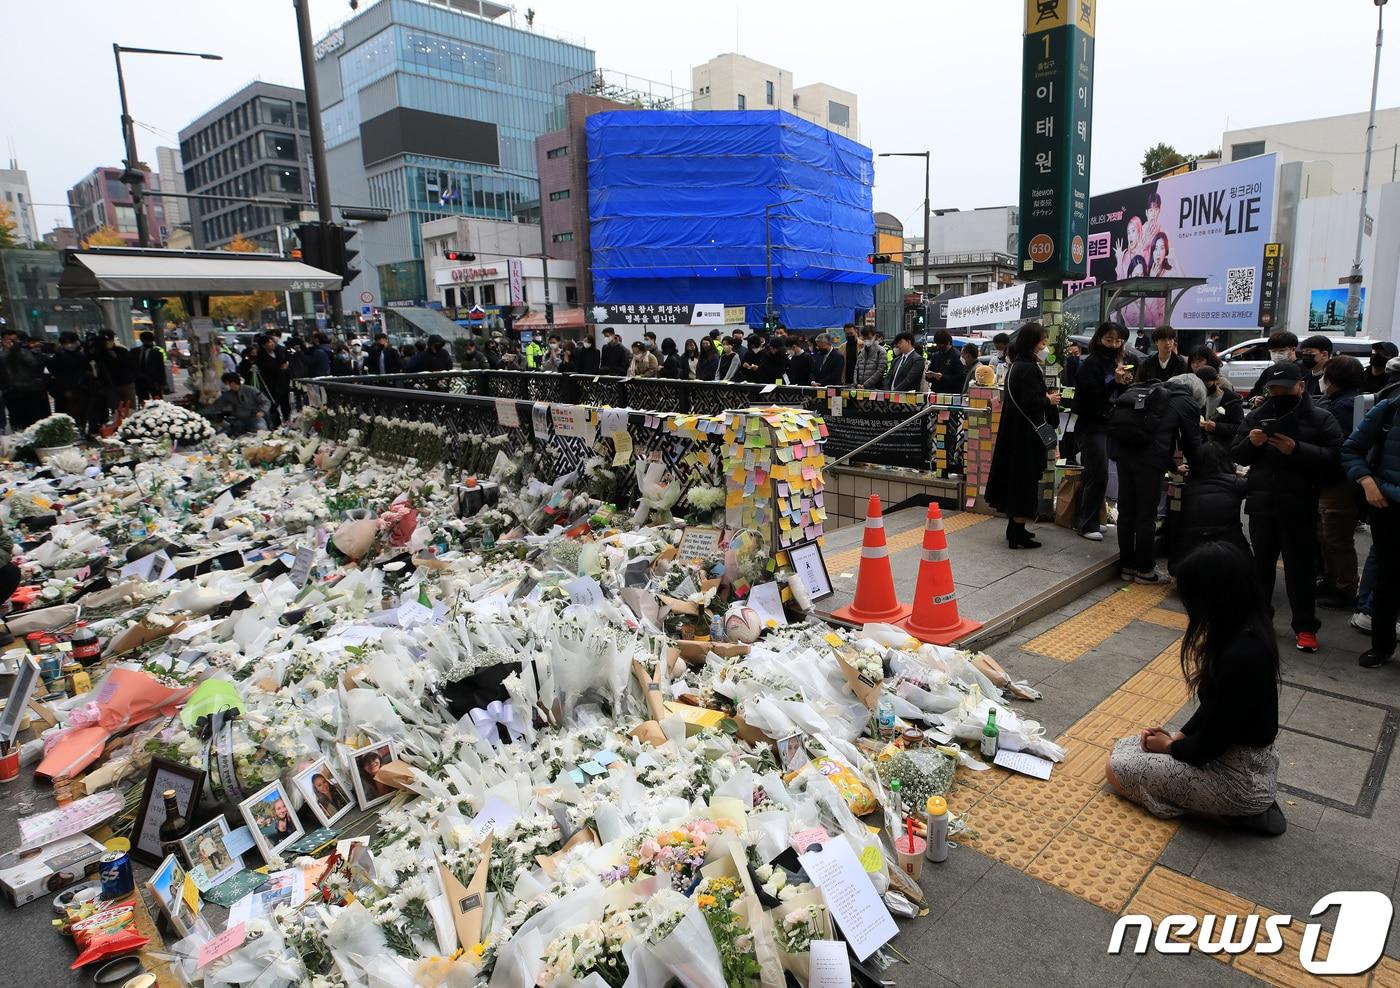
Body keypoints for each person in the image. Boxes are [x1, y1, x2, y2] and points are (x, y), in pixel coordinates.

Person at [1105, 541, 1284, 834]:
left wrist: (1171, 747)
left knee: (1116, 769)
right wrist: (1177, 736)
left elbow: (1207, 747)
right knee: (1129, 747)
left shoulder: (1242, 656)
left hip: (1238, 780)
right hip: (1243, 761)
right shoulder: (1246, 630)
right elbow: (1215, 709)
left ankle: (1230, 814)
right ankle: (1213, 802)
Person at [1231, 361, 1343, 652]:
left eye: (1285, 388)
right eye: (1273, 389)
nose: (1279, 393)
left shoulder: (1321, 418)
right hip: (1261, 505)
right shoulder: (1257, 415)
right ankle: (1257, 620)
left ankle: (1305, 627)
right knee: (1261, 568)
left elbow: (1335, 459)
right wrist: (1251, 443)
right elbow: (1237, 455)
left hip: (1300, 507)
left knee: (1300, 570)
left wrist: (1296, 450)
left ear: (1301, 386)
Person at [1111, 372, 1206, 582]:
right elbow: (1192, 443)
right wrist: (1203, 470)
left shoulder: (1152, 391)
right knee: (1146, 513)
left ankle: (1127, 566)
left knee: (1127, 511)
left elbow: (1153, 432)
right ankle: (1144, 570)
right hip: (1149, 462)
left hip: (1125, 453)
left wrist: (1173, 466)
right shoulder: (1186, 402)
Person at [986, 323, 1060, 549]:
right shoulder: (1027, 368)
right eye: (1042, 343)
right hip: (1025, 437)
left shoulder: (1016, 366)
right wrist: (1049, 400)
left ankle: (1015, 529)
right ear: (1031, 343)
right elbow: (1030, 402)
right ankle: (1017, 534)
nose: (1045, 347)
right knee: (1023, 482)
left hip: (1014, 433)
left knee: (1016, 481)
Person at [1343, 388, 1400, 668]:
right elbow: (1351, 448)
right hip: (1388, 506)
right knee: (1388, 579)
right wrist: (1366, 481)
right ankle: (1382, 645)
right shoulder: (1388, 409)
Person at [1313, 354, 1365, 609]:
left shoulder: (1342, 408)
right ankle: (1333, 580)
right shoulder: (1348, 401)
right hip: (1335, 482)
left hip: (1337, 484)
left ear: (1332, 379)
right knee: (1327, 535)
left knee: (1336, 538)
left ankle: (1345, 588)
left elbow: (1336, 448)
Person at [1072, 323, 1132, 541]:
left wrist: (1124, 383)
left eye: (1118, 341)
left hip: (1109, 424)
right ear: (1099, 339)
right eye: (1109, 340)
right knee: (1098, 474)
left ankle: (1089, 518)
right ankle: (1086, 524)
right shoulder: (1090, 364)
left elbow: (1118, 393)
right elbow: (1089, 397)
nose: (1114, 344)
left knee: (1094, 473)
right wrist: (1112, 383)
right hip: (1091, 425)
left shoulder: (1118, 362)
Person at [1169, 443, 1249, 575]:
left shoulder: (1186, 489)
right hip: (1230, 559)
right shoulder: (1235, 484)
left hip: (1187, 562)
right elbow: (1256, 483)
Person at [203, 371, 271, 436]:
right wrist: (199, 413)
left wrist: (262, 411)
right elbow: (215, 406)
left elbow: (266, 402)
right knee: (224, 434)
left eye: (227, 384)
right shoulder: (228, 395)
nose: (226, 386)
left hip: (255, 418)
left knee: (262, 431)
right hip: (238, 420)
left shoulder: (251, 390)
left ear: (232, 383)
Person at [47, 332, 91, 426]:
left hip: (82, 389)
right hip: (65, 390)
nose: (69, 345)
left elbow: (86, 370)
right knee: (68, 413)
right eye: (66, 343)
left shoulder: (81, 355)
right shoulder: (58, 357)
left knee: (82, 412)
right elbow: (58, 375)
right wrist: (66, 389)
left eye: (72, 342)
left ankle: (81, 428)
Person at [1196, 366, 1244, 450]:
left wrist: (1217, 426)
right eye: (1200, 385)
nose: (1203, 388)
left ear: (1217, 380)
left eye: (1206, 384)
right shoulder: (1198, 398)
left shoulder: (1231, 400)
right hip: (1203, 446)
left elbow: (1239, 427)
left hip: (1224, 447)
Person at [1247, 331, 1300, 401]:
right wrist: (1256, 400)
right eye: (1273, 352)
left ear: (1293, 349)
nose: (1277, 355)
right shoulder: (1269, 371)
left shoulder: (1302, 369)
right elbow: (1253, 394)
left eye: (1281, 351)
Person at [257, 334, 292, 424]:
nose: (272, 344)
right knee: (274, 404)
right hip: (272, 384)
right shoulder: (261, 357)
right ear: (263, 345)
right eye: (269, 342)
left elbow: (285, 362)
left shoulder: (279, 351)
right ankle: (276, 423)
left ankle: (287, 421)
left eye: (272, 341)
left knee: (286, 404)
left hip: (283, 382)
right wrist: (280, 367)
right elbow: (269, 368)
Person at [133, 332, 166, 403]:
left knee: (157, 401)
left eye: (150, 340)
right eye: (147, 340)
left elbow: (161, 369)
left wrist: (162, 383)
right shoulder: (134, 352)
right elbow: (132, 366)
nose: (149, 342)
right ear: (142, 340)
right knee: (143, 401)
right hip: (140, 381)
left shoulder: (157, 353)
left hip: (154, 381)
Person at [1299, 335, 1333, 399]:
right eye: (1303, 352)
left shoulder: (1332, 379)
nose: (1305, 355)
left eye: (1309, 352)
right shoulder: (1305, 378)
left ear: (1324, 355)